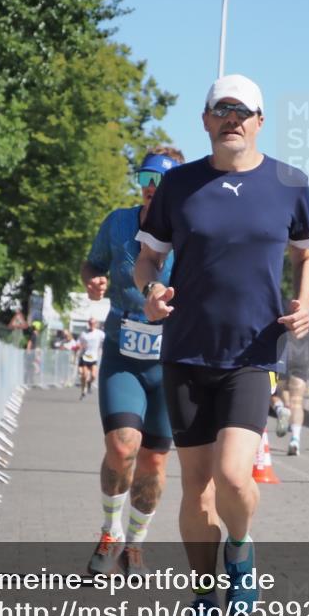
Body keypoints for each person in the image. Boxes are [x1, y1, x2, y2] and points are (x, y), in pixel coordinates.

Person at [134, 74, 309, 616]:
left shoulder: (290, 183)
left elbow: (307, 256)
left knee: (235, 477)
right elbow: (146, 260)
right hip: (185, 351)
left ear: (261, 120)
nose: (232, 119)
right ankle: (203, 599)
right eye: (222, 110)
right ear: (206, 120)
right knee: (196, 490)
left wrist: (304, 303)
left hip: (252, 352)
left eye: (243, 111)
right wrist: (151, 292)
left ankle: (240, 550)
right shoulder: (180, 185)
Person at [80, 146, 182, 577]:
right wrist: (94, 282)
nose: (152, 190)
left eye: (162, 183)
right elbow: (91, 265)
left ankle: (136, 543)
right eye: (145, 180)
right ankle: (110, 532)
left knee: (154, 463)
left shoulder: (191, 234)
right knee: (122, 447)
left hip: (171, 360)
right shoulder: (119, 223)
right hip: (123, 353)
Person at [284, 300, 309, 456]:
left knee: (281, 392)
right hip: (303, 358)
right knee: (297, 401)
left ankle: (282, 410)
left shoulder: (283, 304)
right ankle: (295, 439)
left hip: (283, 355)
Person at [76, 317, 105, 399]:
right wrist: (78, 346)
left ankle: (89, 384)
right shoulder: (84, 333)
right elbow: (78, 342)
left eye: (93, 323)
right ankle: (83, 390)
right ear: (88, 324)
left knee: (93, 376)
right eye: (90, 323)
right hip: (85, 356)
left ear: (96, 324)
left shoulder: (100, 333)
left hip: (94, 357)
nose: (91, 324)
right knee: (84, 375)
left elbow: (106, 341)